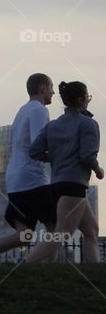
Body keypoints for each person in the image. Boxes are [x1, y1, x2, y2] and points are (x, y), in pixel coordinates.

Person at [0, 73, 56, 263]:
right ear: (42, 89)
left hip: (15, 180)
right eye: (51, 88)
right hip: (34, 178)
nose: (53, 93)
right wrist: (58, 157)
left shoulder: (22, 111)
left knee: (24, 235)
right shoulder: (39, 111)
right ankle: (45, 268)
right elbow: (37, 146)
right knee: (55, 227)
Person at [25, 80, 103, 264]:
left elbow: (34, 151)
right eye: (88, 98)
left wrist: (57, 157)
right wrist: (99, 171)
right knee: (62, 234)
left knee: (91, 230)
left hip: (57, 184)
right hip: (74, 184)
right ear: (83, 99)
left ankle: (94, 272)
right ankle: (27, 264)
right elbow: (87, 156)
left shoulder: (53, 126)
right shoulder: (88, 124)